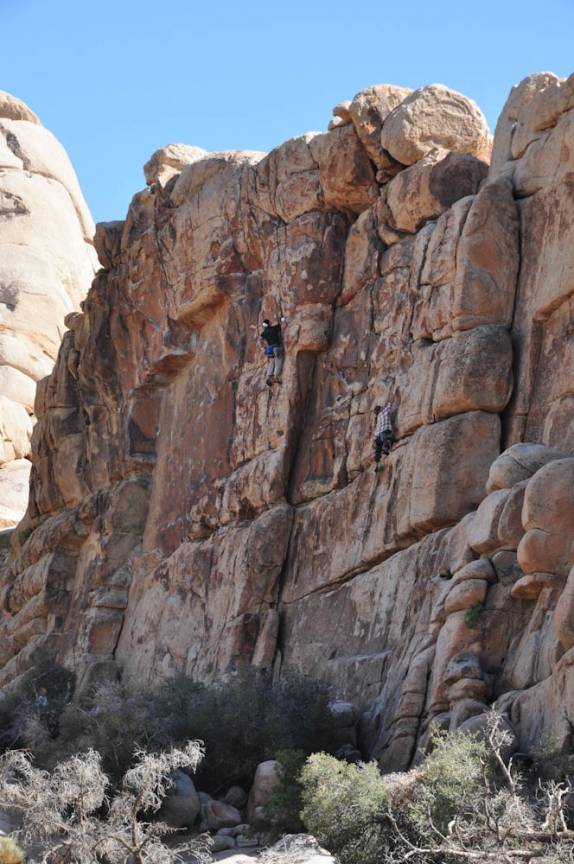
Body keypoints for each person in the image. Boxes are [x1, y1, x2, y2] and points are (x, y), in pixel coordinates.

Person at [260, 316, 287, 386]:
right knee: (278, 361)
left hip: (269, 348)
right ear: (269, 324)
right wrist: (283, 320)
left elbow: (260, 340)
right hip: (276, 347)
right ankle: (275, 377)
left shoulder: (264, 333)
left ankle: (269, 375)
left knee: (271, 362)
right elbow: (283, 326)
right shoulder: (274, 328)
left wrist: (264, 347)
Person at [374, 400, 395, 468]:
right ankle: (386, 448)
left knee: (378, 448)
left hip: (378, 435)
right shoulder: (385, 411)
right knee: (387, 438)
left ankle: (377, 460)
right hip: (385, 431)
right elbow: (390, 403)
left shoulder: (378, 418)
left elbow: (377, 430)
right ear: (380, 409)